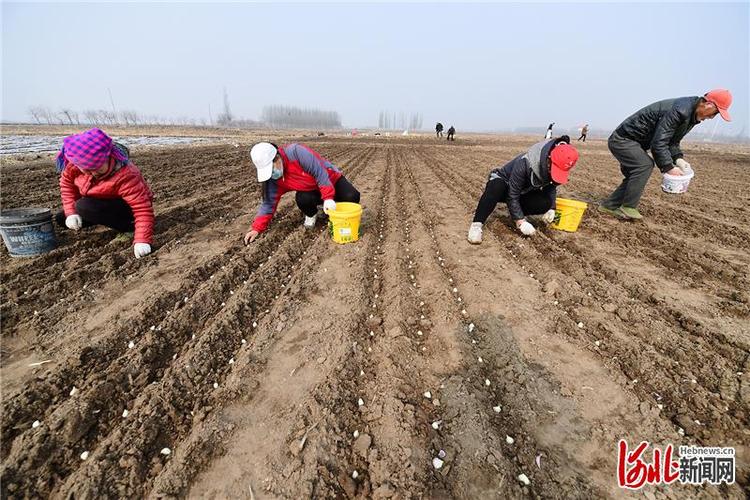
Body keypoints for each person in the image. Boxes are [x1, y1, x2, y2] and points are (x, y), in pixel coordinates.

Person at [599, 89, 732, 220]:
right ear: (708, 104)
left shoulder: (690, 115)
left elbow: (672, 142)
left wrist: (679, 159)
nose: (711, 118)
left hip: (636, 143)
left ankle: (609, 206)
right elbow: (659, 143)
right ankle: (628, 207)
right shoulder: (680, 111)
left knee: (636, 174)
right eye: (715, 113)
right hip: (623, 139)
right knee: (644, 165)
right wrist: (668, 167)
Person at [54, 128, 154, 259]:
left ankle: (129, 228)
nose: (93, 174)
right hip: (99, 203)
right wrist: (71, 213)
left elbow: (142, 209)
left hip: (125, 208)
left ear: (108, 157)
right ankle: (98, 216)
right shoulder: (73, 166)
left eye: (98, 169)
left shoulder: (126, 174)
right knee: (62, 218)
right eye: (87, 171)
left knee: (84, 207)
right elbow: (67, 186)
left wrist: (142, 240)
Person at [467, 136, 579, 243]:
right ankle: (476, 225)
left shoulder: (551, 165)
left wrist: (552, 208)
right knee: (496, 186)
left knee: (545, 203)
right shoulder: (525, 163)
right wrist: (520, 221)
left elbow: (551, 187)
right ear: (549, 159)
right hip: (505, 186)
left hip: (522, 191)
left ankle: (515, 213)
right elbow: (512, 193)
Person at [244, 142, 361, 244]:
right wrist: (256, 228)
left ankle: (333, 208)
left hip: (330, 179)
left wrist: (328, 198)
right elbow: (268, 203)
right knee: (303, 199)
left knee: (352, 197)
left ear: (277, 157)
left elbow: (320, 174)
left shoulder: (296, 152)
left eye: (271, 168)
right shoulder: (274, 179)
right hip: (310, 190)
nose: (271, 173)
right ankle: (312, 214)